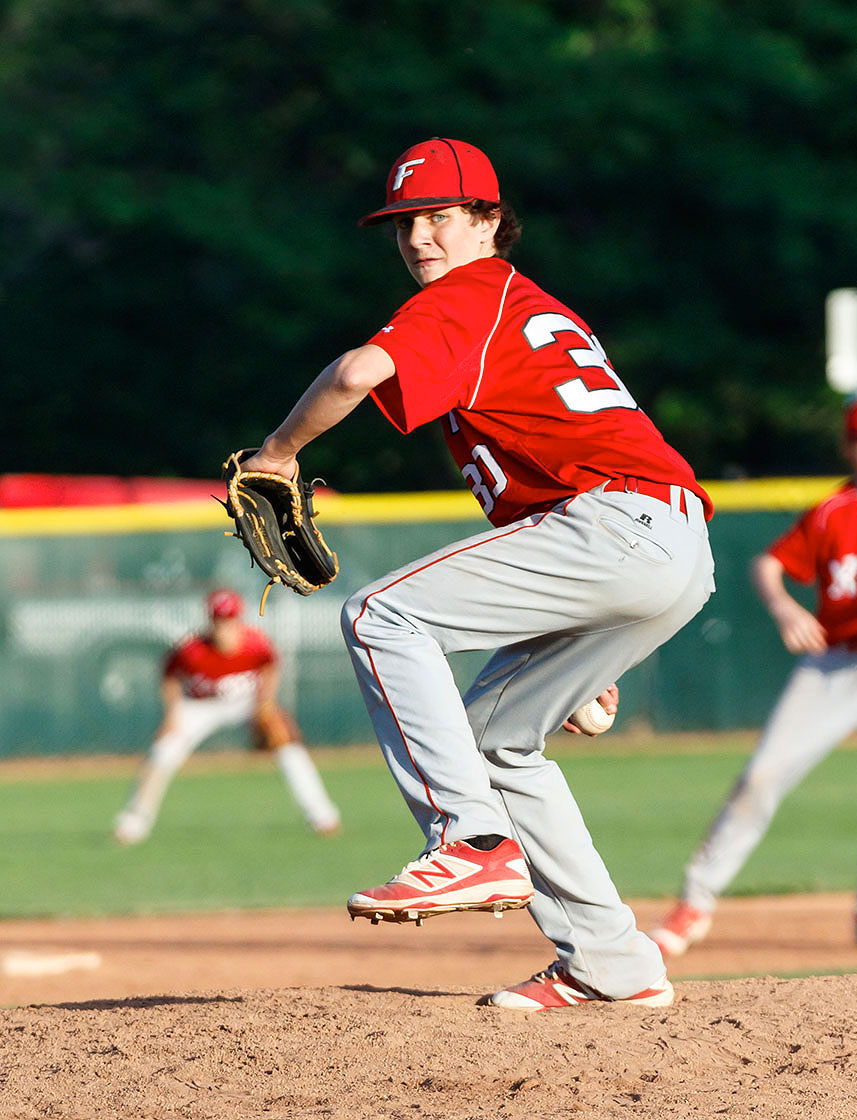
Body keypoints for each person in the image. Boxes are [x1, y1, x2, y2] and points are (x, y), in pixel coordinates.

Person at [239, 137, 715, 1011]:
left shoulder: (472, 295)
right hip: (666, 546)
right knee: (500, 739)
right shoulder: (521, 307)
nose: (420, 237)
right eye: (404, 223)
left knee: (381, 616)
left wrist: (278, 454)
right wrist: (575, 642)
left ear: (490, 221)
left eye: (440, 217)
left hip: (616, 523)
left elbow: (356, 371)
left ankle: (469, 841)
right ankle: (612, 960)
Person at [651, 396, 857, 957]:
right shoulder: (834, 512)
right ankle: (694, 903)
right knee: (762, 777)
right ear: (848, 448)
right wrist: (787, 609)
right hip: (832, 667)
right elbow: (769, 563)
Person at [112, 588, 341, 844]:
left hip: (246, 702)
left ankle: (323, 816)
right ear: (210, 621)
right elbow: (170, 677)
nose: (224, 627)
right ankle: (134, 822)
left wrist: (265, 704)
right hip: (200, 706)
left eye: (229, 620)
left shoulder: (255, 643)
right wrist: (172, 716)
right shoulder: (192, 650)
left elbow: (270, 667)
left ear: (239, 620)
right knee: (163, 751)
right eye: (219, 621)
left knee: (288, 746)